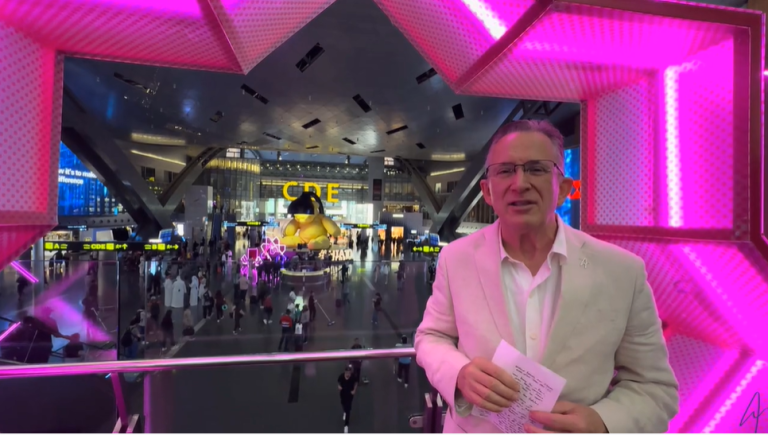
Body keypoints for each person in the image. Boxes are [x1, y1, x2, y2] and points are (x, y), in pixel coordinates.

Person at [415, 120, 678, 433]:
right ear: (487, 191)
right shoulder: (456, 259)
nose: (520, 183)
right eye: (505, 170)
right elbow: (431, 337)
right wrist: (459, 373)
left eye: (536, 169)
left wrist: (604, 423)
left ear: (564, 189)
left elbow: (654, 388)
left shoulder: (622, 272)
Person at [338, 365, 358, 433]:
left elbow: (356, 383)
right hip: (343, 393)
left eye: (349, 373)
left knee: (348, 408)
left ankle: (346, 424)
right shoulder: (341, 376)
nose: (348, 374)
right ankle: (345, 411)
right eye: (347, 373)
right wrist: (339, 386)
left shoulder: (352, 377)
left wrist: (354, 390)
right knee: (343, 404)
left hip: (350, 394)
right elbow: (338, 382)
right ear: (345, 372)